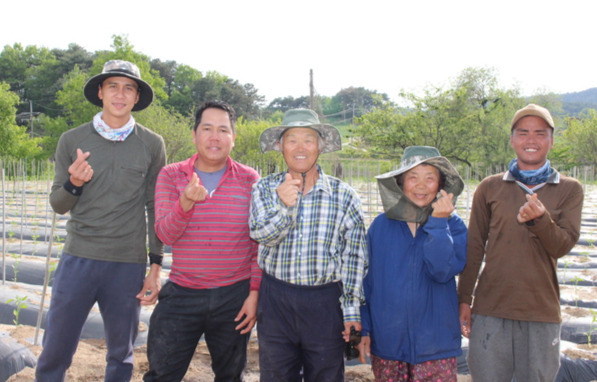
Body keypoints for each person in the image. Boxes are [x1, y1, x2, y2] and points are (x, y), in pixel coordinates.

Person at [36, 60, 166, 381]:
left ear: (137, 97)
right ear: (100, 92)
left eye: (128, 88)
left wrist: (155, 268)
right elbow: (58, 204)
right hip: (78, 259)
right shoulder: (72, 140)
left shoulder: (152, 144)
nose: (120, 94)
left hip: (126, 265)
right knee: (56, 347)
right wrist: (74, 184)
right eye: (113, 86)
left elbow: (155, 206)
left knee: (121, 353)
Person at [458, 104, 584, 381]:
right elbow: (475, 246)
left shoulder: (568, 189)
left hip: (540, 309)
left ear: (551, 140)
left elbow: (561, 246)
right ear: (512, 139)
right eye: (523, 133)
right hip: (491, 307)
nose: (531, 140)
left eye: (540, 133)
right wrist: (464, 298)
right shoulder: (490, 187)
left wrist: (541, 220)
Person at [143, 101, 261, 381]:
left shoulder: (250, 179)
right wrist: (184, 203)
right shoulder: (171, 175)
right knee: (162, 373)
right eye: (207, 128)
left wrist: (254, 294)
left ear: (233, 138)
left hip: (234, 295)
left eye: (223, 130)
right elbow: (164, 234)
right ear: (195, 134)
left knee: (231, 375)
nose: (214, 137)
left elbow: (259, 244)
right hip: (183, 292)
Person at [249, 108, 368, 381]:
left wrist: (351, 311)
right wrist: (285, 206)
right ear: (281, 146)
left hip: (325, 302)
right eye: (292, 139)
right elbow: (260, 235)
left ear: (321, 145)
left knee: (326, 374)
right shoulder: (265, 189)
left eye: (309, 139)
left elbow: (354, 258)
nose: (300, 148)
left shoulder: (344, 195)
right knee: (276, 374)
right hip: (276, 298)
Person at [357, 146, 467, 381]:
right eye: (412, 177)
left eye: (430, 179)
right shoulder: (381, 226)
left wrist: (438, 224)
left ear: (440, 186)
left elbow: (442, 271)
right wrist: (365, 327)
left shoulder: (453, 225)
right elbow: (366, 283)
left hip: (435, 346)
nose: (420, 185)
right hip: (388, 343)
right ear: (400, 183)